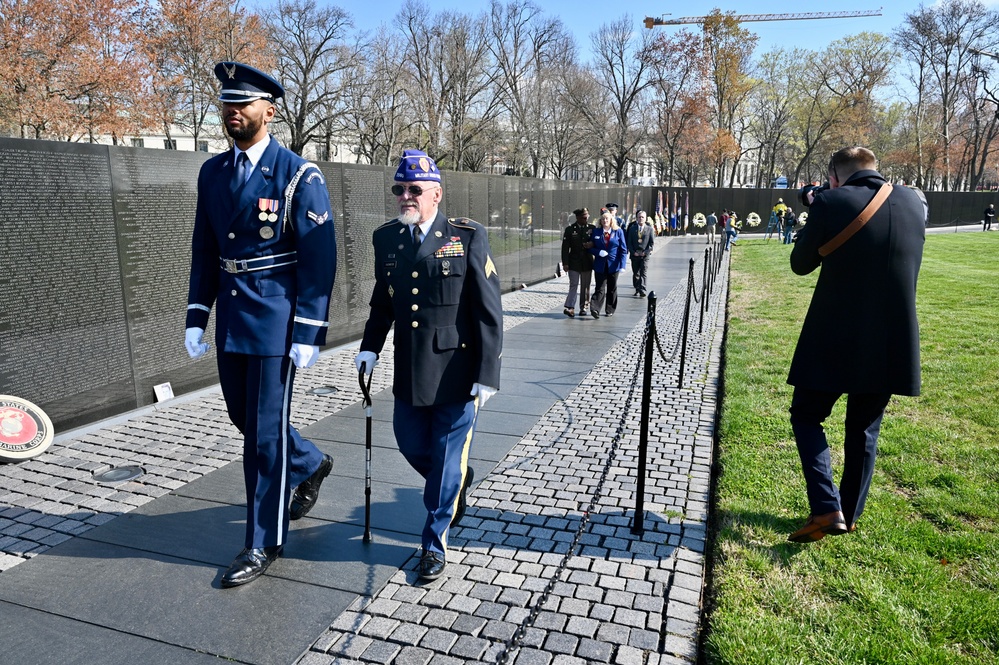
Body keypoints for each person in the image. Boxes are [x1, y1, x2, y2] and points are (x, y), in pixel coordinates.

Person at [184, 62, 337, 587]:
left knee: (262, 442)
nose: (232, 111)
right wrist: (197, 314)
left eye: (243, 103)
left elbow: (320, 259)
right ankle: (311, 461)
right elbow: (205, 247)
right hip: (231, 317)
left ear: (268, 111)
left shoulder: (298, 174)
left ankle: (262, 540)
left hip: (276, 319)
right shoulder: (212, 172)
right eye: (227, 102)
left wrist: (309, 329)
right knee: (243, 419)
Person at [354, 150, 503, 581]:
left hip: (458, 371)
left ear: (436, 195)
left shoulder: (467, 236)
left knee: (443, 457)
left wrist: (487, 373)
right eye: (399, 189)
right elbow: (383, 300)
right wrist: (370, 346)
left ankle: (434, 542)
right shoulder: (388, 238)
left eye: (414, 190)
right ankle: (455, 480)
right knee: (411, 443)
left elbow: (489, 310)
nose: (405, 196)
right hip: (411, 369)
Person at [786, 146, 924, 543]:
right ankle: (849, 513)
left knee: (807, 416)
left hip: (835, 333)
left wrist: (819, 207)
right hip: (893, 338)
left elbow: (800, 263)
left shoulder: (830, 200)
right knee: (864, 428)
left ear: (834, 175)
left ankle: (827, 508)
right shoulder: (914, 202)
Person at [589, 210, 628, 317]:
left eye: (607, 219)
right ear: (600, 221)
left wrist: (622, 265)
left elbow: (623, 250)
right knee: (600, 287)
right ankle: (595, 309)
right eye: (603, 219)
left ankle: (610, 309)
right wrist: (598, 252)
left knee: (612, 287)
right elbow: (590, 248)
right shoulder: (596, 232)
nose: (605, 221)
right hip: (600, 264)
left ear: (611, 220)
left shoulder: (618, 231)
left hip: (613, 264)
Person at [561, 207, 595, 317]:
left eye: (587, 217)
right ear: (578, 218)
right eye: (584, 217)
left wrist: (591, 244)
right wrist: (565, 263)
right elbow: (565, 248)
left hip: (587, 261)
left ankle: (584, 307)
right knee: (573, 284)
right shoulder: (570, 230)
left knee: (585, 286)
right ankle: (570, 307)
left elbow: (597, 242)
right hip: (574, 261)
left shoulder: (592, 228)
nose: (586, 219)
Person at [627, 209, 655, 297]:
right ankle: (637, 288)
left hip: (644, 255)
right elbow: (629, 242)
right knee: (636, 273)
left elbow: (651, 243)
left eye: (643, 217)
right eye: (639, 217)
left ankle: (643, 289)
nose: (641, 219)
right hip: (635, 254)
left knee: (643, 272)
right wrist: (632, 252)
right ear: (637, 218)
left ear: (645, 218)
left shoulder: (649, 229)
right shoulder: (632, 229)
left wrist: (646, 252)